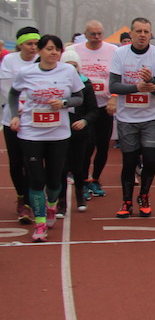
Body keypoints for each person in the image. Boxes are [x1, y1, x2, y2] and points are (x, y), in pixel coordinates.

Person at [9, 35, 84, 242]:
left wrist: (64, 103)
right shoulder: (26, 72)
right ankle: (40, 223)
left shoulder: (68, 71)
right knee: (36, 179)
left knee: (53, 180)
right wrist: (14, 115)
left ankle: (52, 205)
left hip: (58, 133)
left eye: (57, 49)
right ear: (40, 51)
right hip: (30, 132)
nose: (54, 53)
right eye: (50, 49)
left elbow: (79, 98)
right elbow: (13, 94)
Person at [109, 17, 155, 218]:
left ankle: (144, 195)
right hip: (127, 118)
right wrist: (137, 87)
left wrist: (150, 81)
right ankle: (126, 201)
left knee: (150, 160)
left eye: (146, 32)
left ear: (151, 34)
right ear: (131, 34)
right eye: (139, 31)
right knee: (129, 162)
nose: (143, 35)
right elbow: (113, 86)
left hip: (150, 117)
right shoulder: (120, 53)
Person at [68, 20, 118, 198]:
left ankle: (95, 179)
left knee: (103, 146)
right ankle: (82, 181)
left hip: (104, 106)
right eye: (92, 34)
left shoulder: (113, 51)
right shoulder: (74, 50)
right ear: (85, 34)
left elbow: (118, 76)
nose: (96, 37)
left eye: (100, 34)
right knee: (85, 147)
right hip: (83, 108)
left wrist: (114, 97)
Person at [1, 27, 40, 222]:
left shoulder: (41, 60)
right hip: (13, 118)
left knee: (31, 161)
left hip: (36, 119)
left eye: (36, 44)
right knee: (16, 161)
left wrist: (32, 107)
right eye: (29, 44)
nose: (33, 48)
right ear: (20, 45)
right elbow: (7, 88)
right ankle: (21, 197)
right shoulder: (10, 60)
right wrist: (21, 108)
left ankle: (31, 200)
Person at [55, 48, 99, 215]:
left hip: (80, 133)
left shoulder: (85, 85)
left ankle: (80, 197)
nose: (71, 69)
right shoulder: (56, 84)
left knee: (78, 167)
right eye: (68, 65)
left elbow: (94, 110)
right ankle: (61, 203)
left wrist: (84, 121)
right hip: (59, 132)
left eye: (74, 65)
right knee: (61, 168)